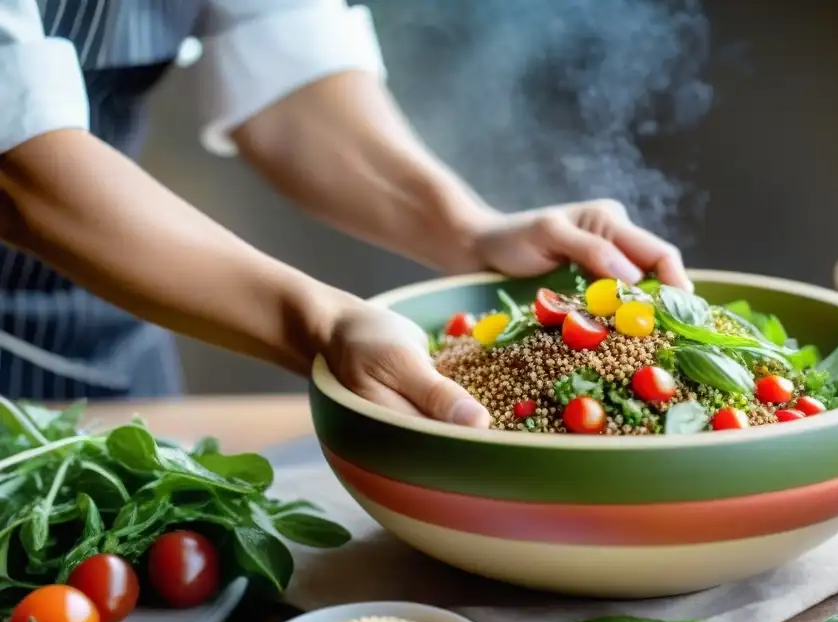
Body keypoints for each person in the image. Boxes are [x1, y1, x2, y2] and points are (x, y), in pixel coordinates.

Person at [0, 0, 689, 429]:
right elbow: (17, 164)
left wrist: (470, 231)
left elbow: (284, 56)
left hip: (109, 307)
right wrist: (321, 323)